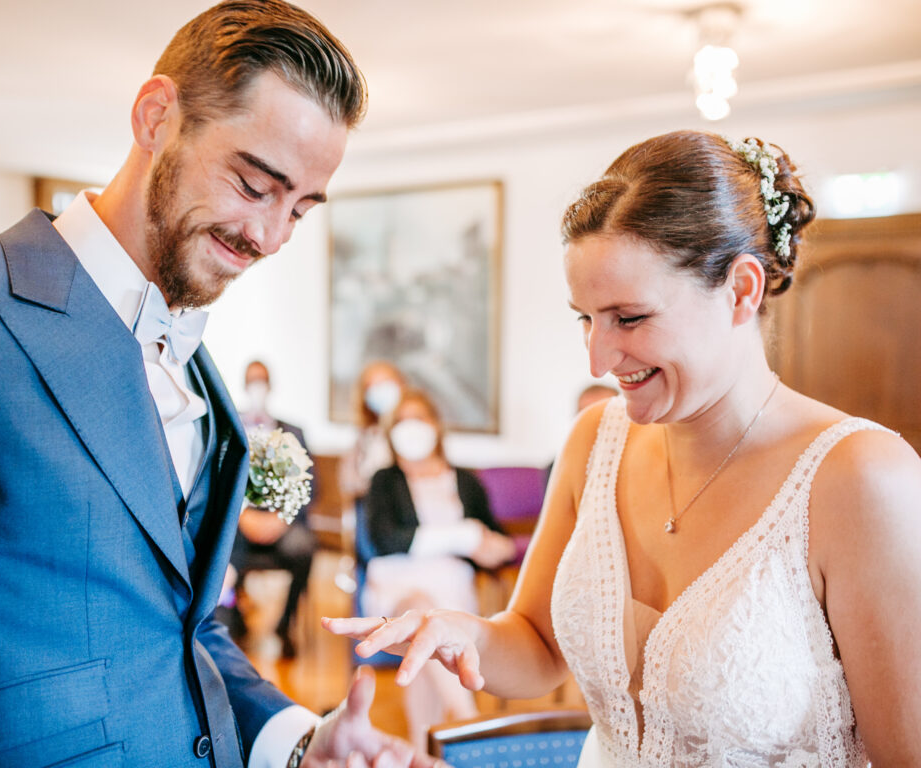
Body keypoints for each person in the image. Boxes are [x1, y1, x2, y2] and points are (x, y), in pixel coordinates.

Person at [0, 3, 443, 767]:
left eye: (300, 209)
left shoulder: (196, 368)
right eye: (254, 184)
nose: (270, 237)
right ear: (157, 117)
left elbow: (182, 626)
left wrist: (297, 741)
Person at [325, 130, 921, 765]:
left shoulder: (860, 479)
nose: (598, 359)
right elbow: (536, 644)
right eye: (585, 319)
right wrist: (459, 631)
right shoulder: (595, 440)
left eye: (628, 318)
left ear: (742, 291)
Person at [360, 389, 515, 750]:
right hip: (397, 587)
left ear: (436, 425)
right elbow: (384, 541)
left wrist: (491, 546)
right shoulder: (384, 480)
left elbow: (495, 539)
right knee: (423, 616)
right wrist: (464, 536)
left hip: (453, 590)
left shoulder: (465, 481)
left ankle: (421, 750)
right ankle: (469, 721)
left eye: (419, 418)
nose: (412, 428)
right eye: (402, 421)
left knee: (425, 640)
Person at [225, 360, 318, 658]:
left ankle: (285, 623)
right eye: (252, 380)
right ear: (244, 385)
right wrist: (242, 516)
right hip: (238, 525)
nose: (257, 386)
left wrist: (282, 518)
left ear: (270, 385)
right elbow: (218, 479)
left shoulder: (293, 433)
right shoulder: (229, 427)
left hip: (282, 522)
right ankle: (232, 616)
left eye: (262, 380)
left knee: (303, 548)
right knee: (220, 547)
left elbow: (309, 486)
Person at [338, 360, 406, 500]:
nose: (380, 391)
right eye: (372, 386)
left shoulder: (412, 433)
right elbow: (349, 483)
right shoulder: (365, 437)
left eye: (385, 383)